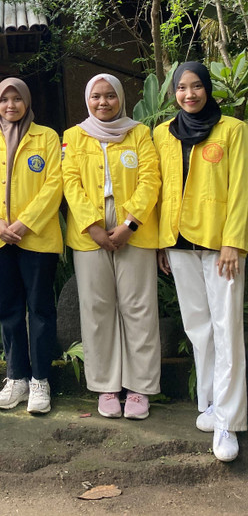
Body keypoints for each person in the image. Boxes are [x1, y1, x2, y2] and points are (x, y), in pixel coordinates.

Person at [155, 62, 248, 462]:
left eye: (196, 87)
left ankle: (230, 420)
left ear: (208, 89)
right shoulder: (163, 134)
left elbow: (242, 189)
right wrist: (161, 243)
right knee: (199, 328)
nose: (189, 94)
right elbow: (161, 190)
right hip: (177, 243)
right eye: (181, 88)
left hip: (218, 245)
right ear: (173, 92)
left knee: (227, 329)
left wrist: (234, 242)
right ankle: (210, 405)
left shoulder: (233, 130)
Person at [63, 74, 161, 420]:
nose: (103, 103)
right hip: (89, 231)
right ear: (87, 100)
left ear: (121, 98)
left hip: (134, 227)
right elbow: (69, 182)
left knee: (139, 307)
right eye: (96, 97)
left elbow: (151, 178)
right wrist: (92, 226)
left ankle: (139, 388)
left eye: (110, 96)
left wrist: (129, 224)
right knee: (97, 309)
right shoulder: (73, 136)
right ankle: (107, 386)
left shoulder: (139, 133)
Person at [0, 77, 62, 414]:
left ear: (27, 101)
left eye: (17, 99)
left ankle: (40, 380)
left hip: (36, 237)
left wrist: (25, 222)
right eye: (4, 100)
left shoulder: (47, 137)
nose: (11, 105)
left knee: (40, 309)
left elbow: (55, 183)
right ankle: (16, 378)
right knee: (8, 310)